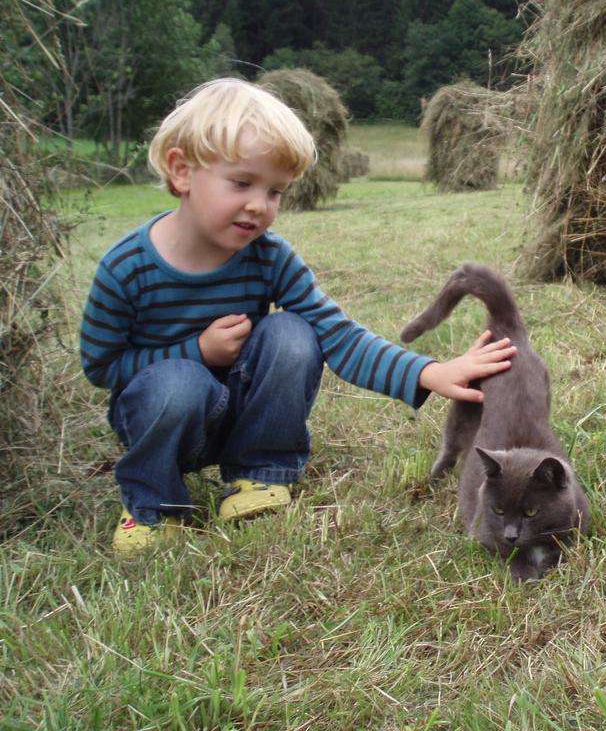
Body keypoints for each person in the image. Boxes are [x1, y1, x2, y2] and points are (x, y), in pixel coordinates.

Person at [80, 78, 516, 554]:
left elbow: (338, 334)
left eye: (275, 192)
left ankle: (258, 474)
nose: (259, 205)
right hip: (162, 416)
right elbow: (102, 368)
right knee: (179, 381)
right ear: (182, 172)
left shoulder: (268, 256)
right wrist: (196, 352)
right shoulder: (126, 268)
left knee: (293, 331)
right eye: (242, 183)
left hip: (238, 411)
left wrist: (429, 371)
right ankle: (153, 505)